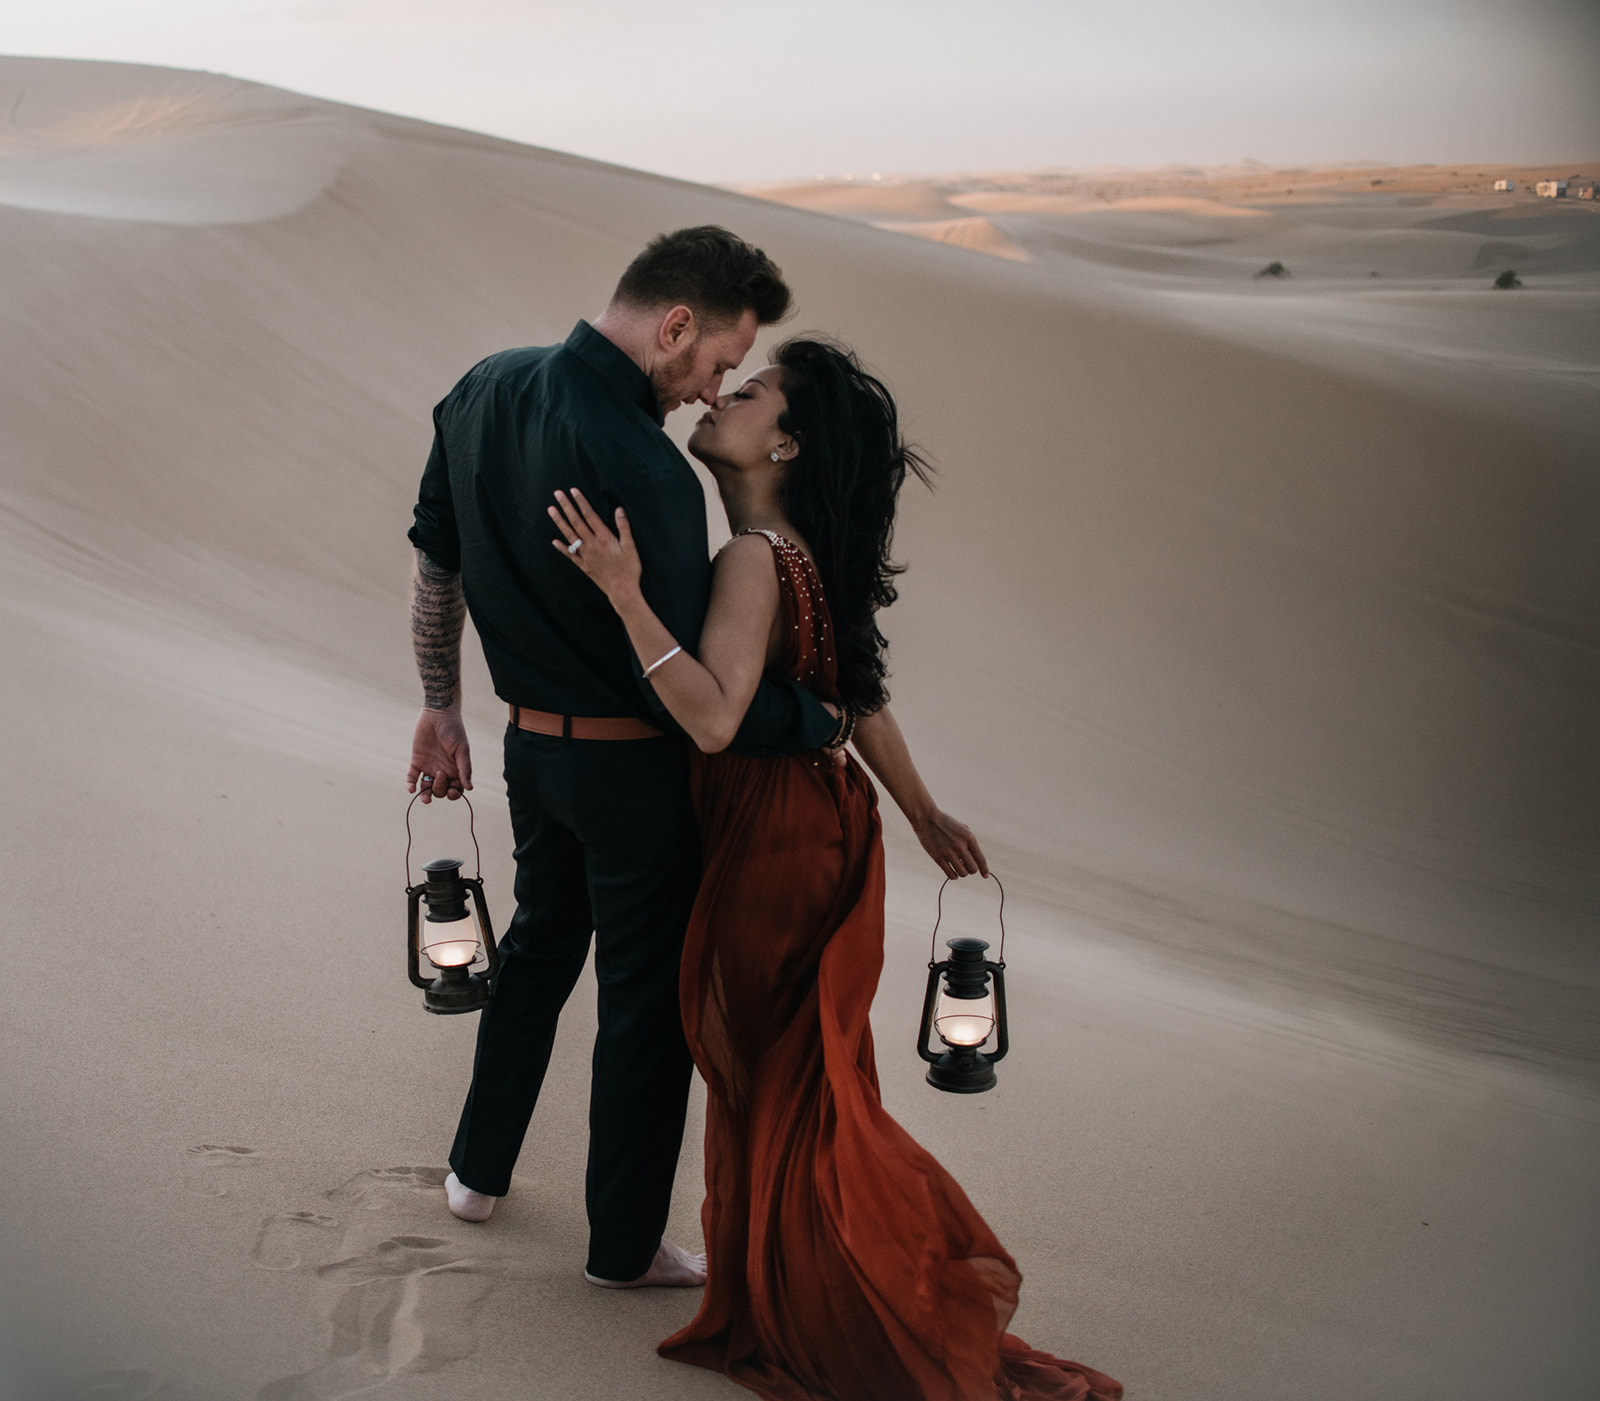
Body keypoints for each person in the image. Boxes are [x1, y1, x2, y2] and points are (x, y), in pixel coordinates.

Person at [550, 337, 1123, 1399]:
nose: (721, 397)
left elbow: (716, 723)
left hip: (770, 839)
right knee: (809, 1074)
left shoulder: (754, 559)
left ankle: (829, 1292)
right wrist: (920, 811)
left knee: (784, 1081)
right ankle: (806, 1276)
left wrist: (625, 594)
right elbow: (855, 694)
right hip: (826, 830)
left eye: (751, 390)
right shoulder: (801, 551)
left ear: (786, 441)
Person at [405, 227, 845, 1290]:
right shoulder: (647, 471)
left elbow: (436, 562)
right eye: (715, 362)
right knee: (645, 1009)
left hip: (527, 753)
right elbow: (699, 688)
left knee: (539, 952)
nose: (710, 390)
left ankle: (475, 1174)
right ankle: (621, 1249)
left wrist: (439, 706)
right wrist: (817, 720)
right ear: (676, 324)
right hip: (636, 776)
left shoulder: (480, 387)